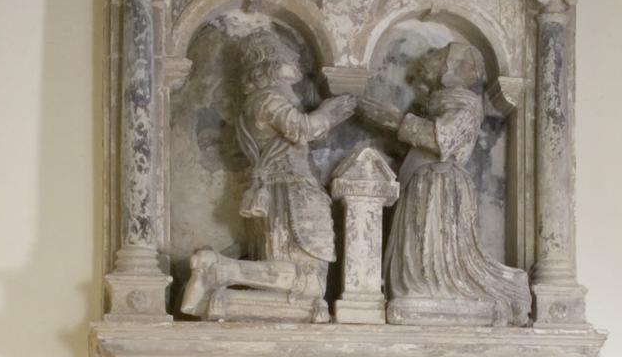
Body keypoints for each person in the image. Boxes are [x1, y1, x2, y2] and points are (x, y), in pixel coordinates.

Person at [177, 21, 354, 320]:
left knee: (305, 292)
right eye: (289, 55)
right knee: (309, 281)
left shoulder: (262, 101)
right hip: (289, 191)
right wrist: (330, 113)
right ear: (270, 59)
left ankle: (222, 291)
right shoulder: (267, 99)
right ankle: (217, 268)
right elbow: (301, 128)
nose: (296, 61)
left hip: (275, 192)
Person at [375, 38, 530, 325]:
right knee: (415, 261)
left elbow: (442, 138)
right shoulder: (441, 104)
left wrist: (396, 121)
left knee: (436, 257)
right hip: (423, 181)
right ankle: (418, 289)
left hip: (440, 183)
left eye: (441, 60)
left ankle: (435, 292)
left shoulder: (466, 104)